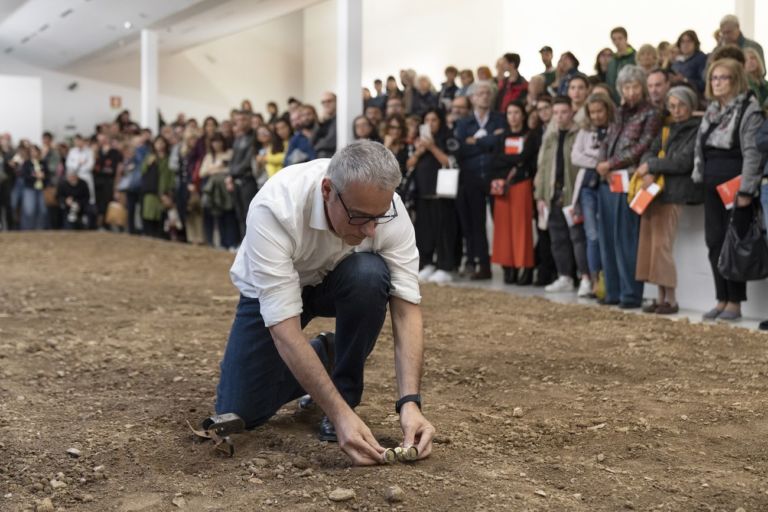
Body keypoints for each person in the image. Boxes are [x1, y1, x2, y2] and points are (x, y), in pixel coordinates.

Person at [217, 140, 435, 465]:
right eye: (359, 217)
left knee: (370, 275)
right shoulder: (276, 208)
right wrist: (337, 410)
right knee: (239, 409)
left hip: (339, 280)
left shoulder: (387, 210)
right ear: (327, 191)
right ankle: (326, 354)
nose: (372, 231)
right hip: (276, 289)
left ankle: (345, 393)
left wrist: (410, 402)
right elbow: (284, 330)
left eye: (379, 216)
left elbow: (405, 308)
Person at [692, 58, 763, 321]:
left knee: (734, 244)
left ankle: (735, 302)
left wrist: (746, 191)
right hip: (711, 185)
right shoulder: (712, 110)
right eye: (714, 78)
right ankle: (721, 298)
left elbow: (753, 155)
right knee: (714, 243)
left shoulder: (749, 109)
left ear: (737, 81)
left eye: (724, 78)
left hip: (736, 189)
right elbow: (701, 147)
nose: (717, 82)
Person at [596, 65, 661, 308]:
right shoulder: (618, 112)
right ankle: (612, 292)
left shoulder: (651, 113)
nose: (631, 92)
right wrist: (602, 163)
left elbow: (642, 145)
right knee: (608, 239)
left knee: (626, 240)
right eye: (626, 87)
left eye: (635, 86)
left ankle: (630, 294)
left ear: (642, 88)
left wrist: (610, 163)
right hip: (609, 180)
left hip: (630, 180)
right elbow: (607, 139)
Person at [635, 86, 702, 315]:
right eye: (672, 106)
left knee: (661, 246)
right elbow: (649, 152)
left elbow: (683, 162)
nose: (677, 110)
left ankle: (671, 299)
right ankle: (660, 296)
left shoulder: (696, 130)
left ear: (691, 106)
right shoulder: (666, 129)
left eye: (681, 105)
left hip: (674, 192)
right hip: (654, 192)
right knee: (650, 246)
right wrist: (650, 169)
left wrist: (651, 166)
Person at [535, 96, 590, 295]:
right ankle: (564, 275)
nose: (559, 116)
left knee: (578, 237)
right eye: (556, 112)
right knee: (557, 238)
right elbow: (542, 166)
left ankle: (585, 277)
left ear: (571, 112)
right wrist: (540, 195)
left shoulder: (579, 133)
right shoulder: (550, 136)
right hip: (552, 192)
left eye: (563, 112)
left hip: (573, 193)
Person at [455, 81, 506, 280]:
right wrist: (489, 140)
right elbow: (461, 150)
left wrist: (475, 141)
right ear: (472, 98)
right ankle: (482, 265)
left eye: (487, 93)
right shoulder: (463, 123)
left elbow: (501, 145)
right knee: (477, 224)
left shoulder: (500, 120)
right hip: (471, 177)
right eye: (480, 93)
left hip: (495, 176)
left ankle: (508, 266)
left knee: (500, 221)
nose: (484, 96)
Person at [491, 101, 539, 285]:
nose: (513, 116)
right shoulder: (501, 137)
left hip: (522, 185)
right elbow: (494, 161)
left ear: (523, 115)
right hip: (502, 187)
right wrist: (514, 160)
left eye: (516, 112)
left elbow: (524, 158)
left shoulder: (530, 136)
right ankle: (508, 268)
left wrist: (508, 159)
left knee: (522, 229)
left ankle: (525, 268)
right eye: (509, 113)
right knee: (503, 230)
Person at [407, 109, 457, 284]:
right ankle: (427, 263)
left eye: (434, 119)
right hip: (423, 192)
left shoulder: (447, 138)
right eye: (427, 119)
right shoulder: (418, 141)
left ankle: (445, 266)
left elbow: (449, 162)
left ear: (440, 121)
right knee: (424, 232)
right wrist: (420, 151)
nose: (430, 123)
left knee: (443, 231)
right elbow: (409, 164)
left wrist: (432, 147)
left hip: (442, 193)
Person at [200, 133, 237, 250]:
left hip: (227, 188)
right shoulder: (209, 156)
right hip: (213, 191)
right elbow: (202, 173)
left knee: (229, 215)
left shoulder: (229, 153)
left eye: (219, 141)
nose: (217, 144)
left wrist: (213, 169)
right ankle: (221, 243)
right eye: (214, 141)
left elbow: (231, 169)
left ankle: (231, 242)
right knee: (217, 214)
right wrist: (217, 167)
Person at [227, 110, 256, 242]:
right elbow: (233, 159)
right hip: (236, 180)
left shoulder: (254, 137)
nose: (240, 122)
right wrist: (229, 176)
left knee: (249, 214)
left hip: (248, 179)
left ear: (250, 120)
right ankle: (243, 243)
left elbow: (247, 161)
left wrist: (232, 174)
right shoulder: (238, 138)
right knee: (239, 214)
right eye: (238, 120)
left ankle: (250, 244)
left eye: (244, 119)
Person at [141, 136, 174, 239]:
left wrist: (168, 191)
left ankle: (160, 235)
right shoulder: (150, 157)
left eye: (162, 143)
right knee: (149, 213)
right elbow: (143, 171)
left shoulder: (169, 158)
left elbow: (171, 175)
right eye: (157, 143)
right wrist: (148, 163)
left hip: (164, 190)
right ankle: (148, 233)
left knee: (161, 213)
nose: (160, 145)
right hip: (151, 190)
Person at [93, 135, 123, 229]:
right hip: (98, 182)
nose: (102, 142)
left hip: (109, 182)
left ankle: (108, 224)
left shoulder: (115, 153)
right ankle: (100, 224)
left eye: (104, 139)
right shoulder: (97, 152)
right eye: (100, 140)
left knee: (108, 203)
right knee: (99, 204)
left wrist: (116, 185)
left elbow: (118, 169)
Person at [18, 145, 49, 230]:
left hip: (41, 189)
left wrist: (44, 176)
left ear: (38, 152)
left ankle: (39, 229)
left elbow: (48, 174)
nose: (34, 153)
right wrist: (35, 176)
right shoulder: (27, 163)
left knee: (42, 210)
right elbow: (23, 175)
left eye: (35, 151)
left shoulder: (43, 162)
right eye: (32, 151)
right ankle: (28, 229)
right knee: (29, 210)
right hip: (29, 188)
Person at [670, 30, 707, 94]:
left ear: (695, 43)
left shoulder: (701, 58)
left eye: (689, 41)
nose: (685, 44)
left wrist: (684, 80)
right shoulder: (677, 62)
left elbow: (704, 83)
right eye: (683, 42)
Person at [606, 27, 637, 102]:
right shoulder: (611, 61)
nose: (617, 42)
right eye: (614, 39)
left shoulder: (635, 57)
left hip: (631, 98)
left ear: (626, 39)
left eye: (620, 38)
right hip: (614, 101)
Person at [65, 134, 95, 207]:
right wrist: (78, 163)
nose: (78, 143)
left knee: (89, 195)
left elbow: (90, 165)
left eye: (79, 141)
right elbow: (68, 164)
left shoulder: (89, 151)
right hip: (75, 176)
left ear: (82, 141)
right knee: (75, 195)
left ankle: (89, 209)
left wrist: (80, 166)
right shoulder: (72, 151)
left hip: (85, 175)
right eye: (76, 141)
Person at [314, 92, 337, 158]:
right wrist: (320, 123)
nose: (326, 104)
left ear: (336, 102)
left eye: (329, 101)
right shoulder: (322, 120)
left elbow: (330, 142)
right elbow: (311, 141)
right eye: (323, 102)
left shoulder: (340, 119)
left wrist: (316, 146)